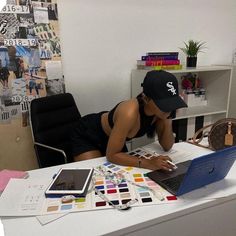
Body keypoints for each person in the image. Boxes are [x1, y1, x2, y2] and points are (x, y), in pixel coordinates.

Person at [71, 70, 187, 171]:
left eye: (171, 102)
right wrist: (148, 163)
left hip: (114, 138)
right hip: (89, 134)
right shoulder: (129, 112)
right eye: (163, 103)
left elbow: (167, 146)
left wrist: (168, 118)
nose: (168, 108)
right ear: (146, 98)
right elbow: (112, 155)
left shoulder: (161, 113)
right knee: (97, 174)